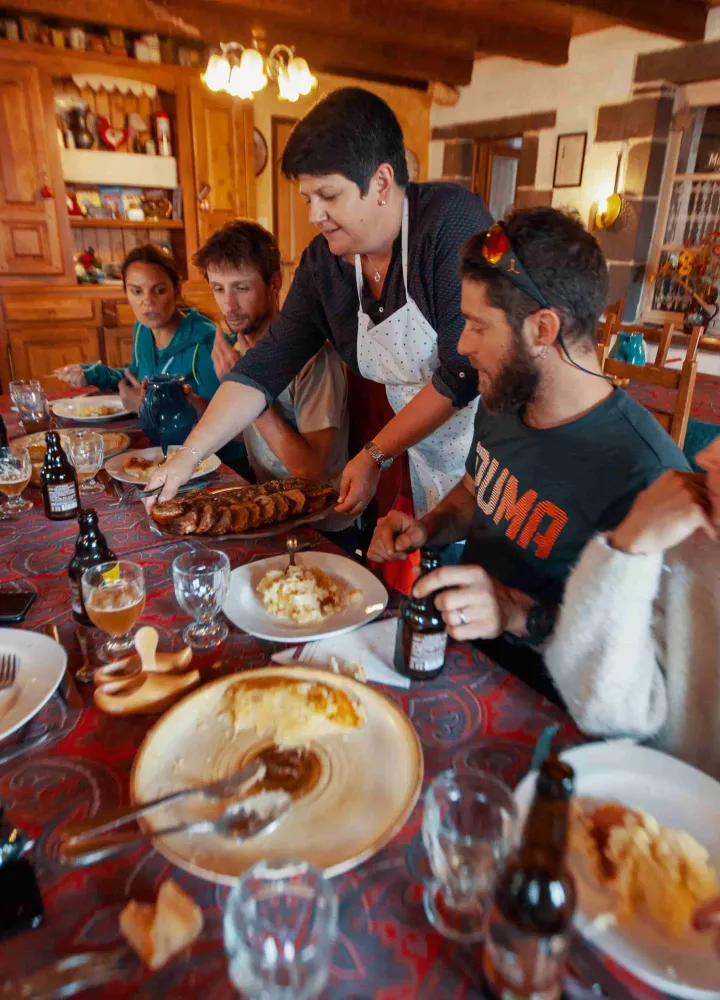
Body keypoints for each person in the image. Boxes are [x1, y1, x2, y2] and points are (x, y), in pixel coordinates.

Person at [368, 207, 689, 701]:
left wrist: (517, 612)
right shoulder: (506, 396)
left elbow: (646, 680)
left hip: (550, 706)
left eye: (477, 325)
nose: (461, 343)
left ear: (542, 329)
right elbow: (476, 492)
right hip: (463, 663)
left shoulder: (649, 475)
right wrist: (428, 527)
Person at [144, 87, 492, 518]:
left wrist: (374, 454)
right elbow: (264, 365)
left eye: (328, 196)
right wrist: (187, 455)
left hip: (490, 457)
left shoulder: (449, 223)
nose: (314, 214)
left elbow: (462, 373)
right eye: (308, 198)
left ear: (381, 182)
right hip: (413, 449)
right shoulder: (323, 264)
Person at [544, 437, 720, 776]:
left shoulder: (638, 453)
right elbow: (605, 709)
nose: (704, 456)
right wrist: (629, 544)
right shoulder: (690, 537)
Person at [193, 219, 353, 541]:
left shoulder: (314, 358)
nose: (228, 305)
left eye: (242, 288)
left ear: (275, 282)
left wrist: (251, 390)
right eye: (218, 288)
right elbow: (253, 438)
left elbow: (310, 472)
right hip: (270, 512)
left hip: (321, 524)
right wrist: (192, 403)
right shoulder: (240, 346)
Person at [53, 243, 249, 475]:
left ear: (176, 289)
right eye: (136, 291)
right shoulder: (143, 329)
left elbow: (225, 423)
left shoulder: (205, 343)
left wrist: (147, 408)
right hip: (164, 453)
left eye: (159, 290)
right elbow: (135, 377)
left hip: (214, 465)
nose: (147, 301)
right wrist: (92, 373)